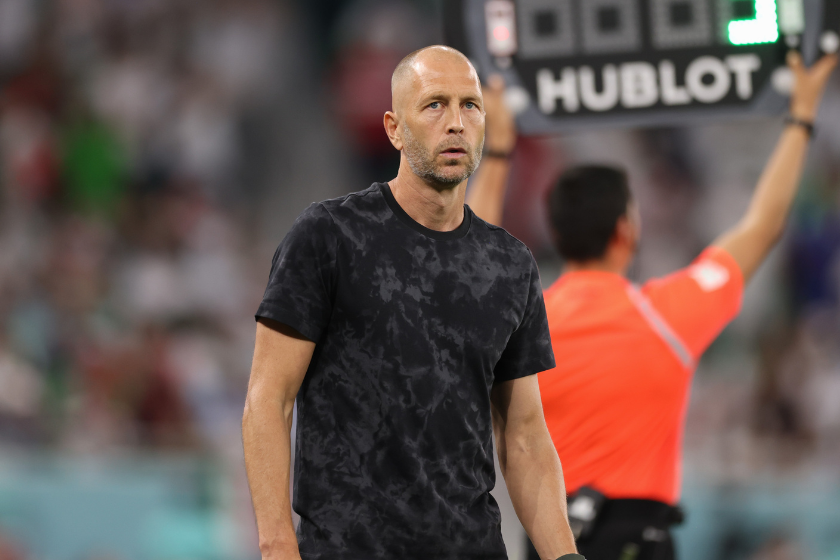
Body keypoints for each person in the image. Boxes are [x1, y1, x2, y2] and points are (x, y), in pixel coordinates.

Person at [466, 51, 838, 560]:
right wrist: (800, 115)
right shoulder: (667, 316)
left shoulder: (523, 325)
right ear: (626, 232)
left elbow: (466, 256)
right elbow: (763, 224)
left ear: (558, 232)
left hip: (550, 543)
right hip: (640, 544)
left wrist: (501, 149)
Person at [242, 45, 580, 560]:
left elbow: (525, 436)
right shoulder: (328, 236)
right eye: (434, 105)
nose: (456, 123)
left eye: (470, 105)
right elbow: (268, 401)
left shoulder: (510, 265)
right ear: (393, 128)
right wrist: (276, 547)